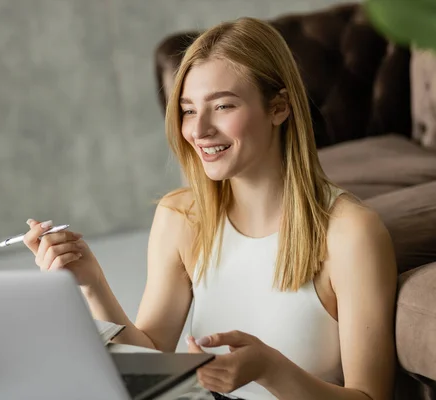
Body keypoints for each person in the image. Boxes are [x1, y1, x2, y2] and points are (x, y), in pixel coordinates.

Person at [23, 17, 397, 400]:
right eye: (187, 110)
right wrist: (92, 283)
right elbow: (150, 355)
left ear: (279, 107)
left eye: (222, 106)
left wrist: (270, 369)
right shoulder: (181, 217)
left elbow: (371, 397)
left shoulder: (351, 233)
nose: (198, 130)